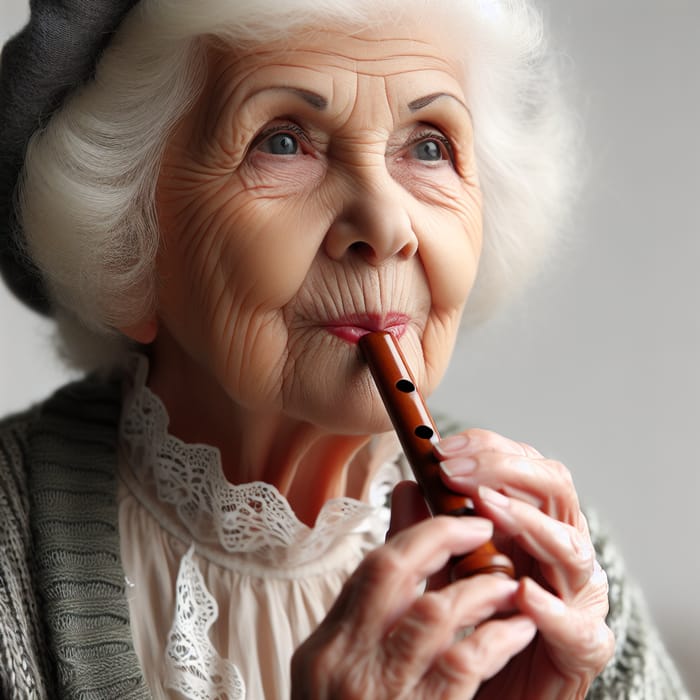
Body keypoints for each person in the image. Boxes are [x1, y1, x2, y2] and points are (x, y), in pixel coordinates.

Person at [0, 0, 690, 698]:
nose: (386, 223)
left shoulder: (552, 558)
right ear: (131, 237)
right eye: (283, 141)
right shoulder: (10, 554)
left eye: (428, 145)